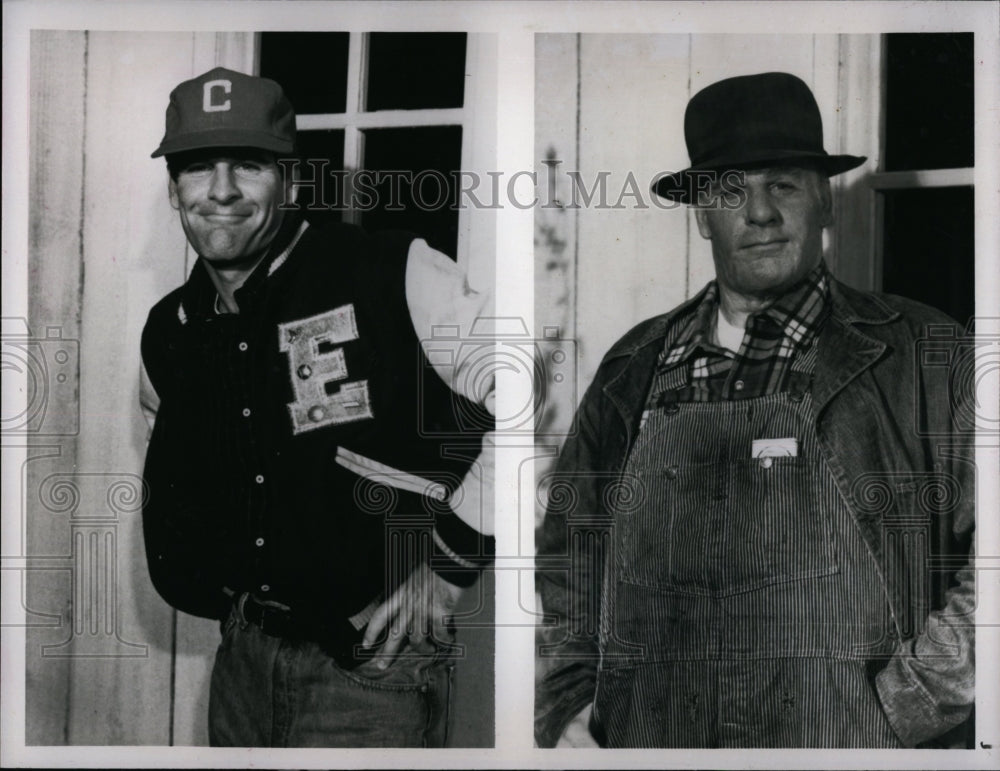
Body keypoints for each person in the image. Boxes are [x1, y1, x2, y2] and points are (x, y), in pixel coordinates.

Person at [535, 72, 975, 749]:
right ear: (701, 212)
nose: (760, 212)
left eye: (784, 184)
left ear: (825, 200)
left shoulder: (927, 356)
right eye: (731, 190)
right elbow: (569, 556)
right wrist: (569, 705)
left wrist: (906, 705)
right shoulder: (635, 371)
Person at [139, 67, 495, 748]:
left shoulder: (396, 271)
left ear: (293, 181)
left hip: (373, 671)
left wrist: (449, 565)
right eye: (196, 167)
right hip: (243, 664)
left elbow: (537, 407)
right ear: (173, 188)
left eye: (248, 164)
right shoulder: (171, 329)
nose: (220, 190)